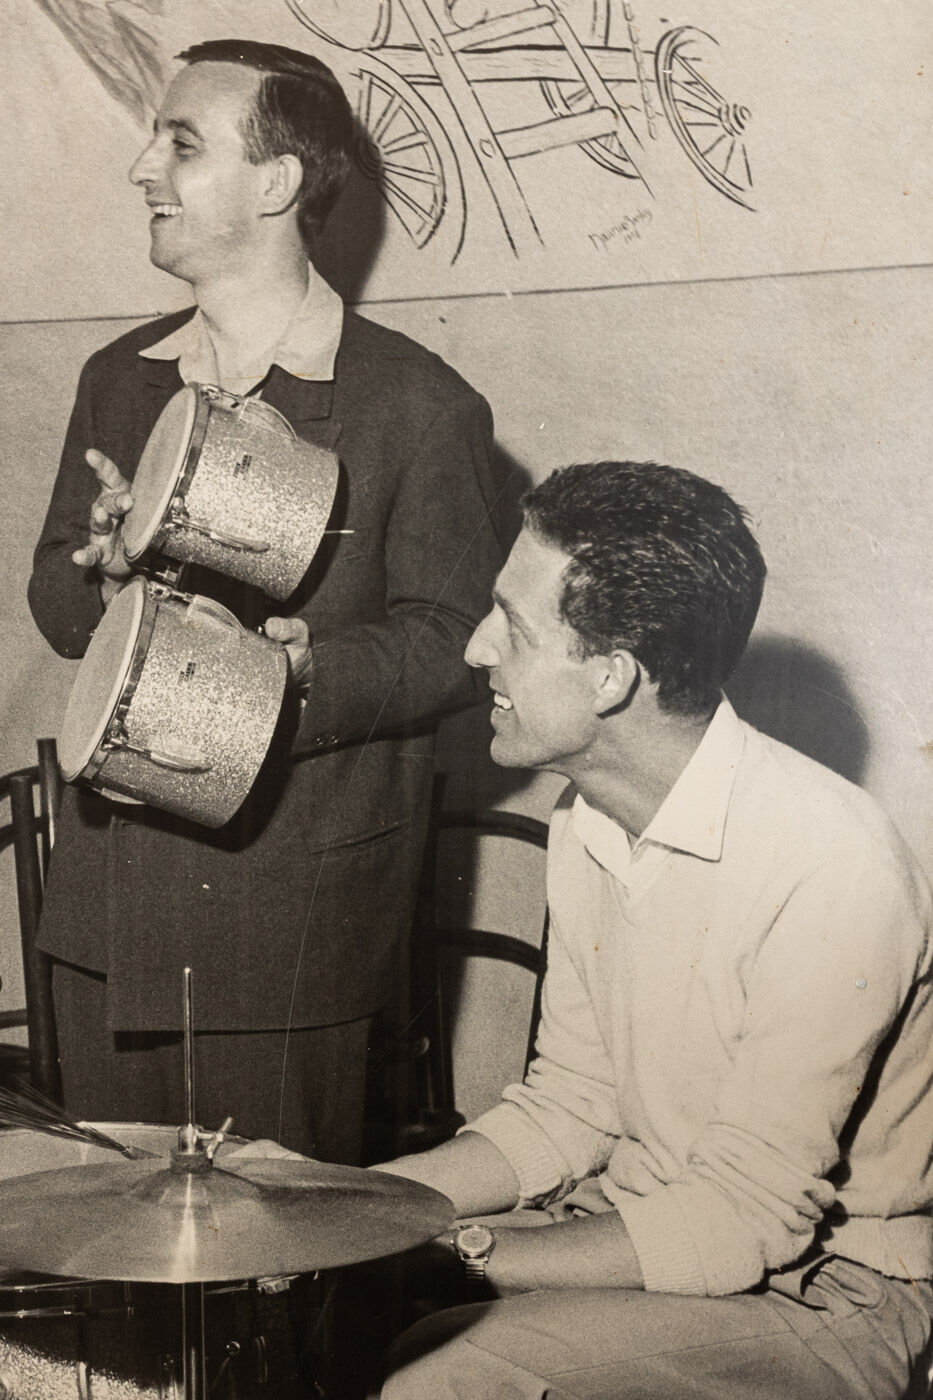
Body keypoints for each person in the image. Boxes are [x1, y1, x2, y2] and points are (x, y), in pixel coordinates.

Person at [28, 39, 502, 1162]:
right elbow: (56, 593)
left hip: (292, 921)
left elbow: (456, 639)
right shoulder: (120, 376)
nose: (143, 167)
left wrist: (299, 679)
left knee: (281, 1250)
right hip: (108, 913)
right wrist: (103, 568)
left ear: (278, 182)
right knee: (110, 1241)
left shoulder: (419, 403)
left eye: (181, 143)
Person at [371, 460, 933, 1399]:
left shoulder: (832, 863)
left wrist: (455, 1249)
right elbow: (571, 1105)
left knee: (444, 1377)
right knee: (355, 1315)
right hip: (654, 1223)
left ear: (610, 678)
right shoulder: (585, 817)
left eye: (512, 625)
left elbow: (741, 1217)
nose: (474, 649)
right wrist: (354, 1205)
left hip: (829, 1292)